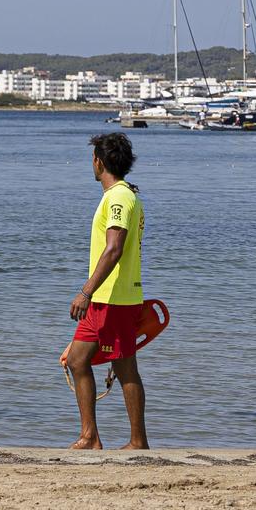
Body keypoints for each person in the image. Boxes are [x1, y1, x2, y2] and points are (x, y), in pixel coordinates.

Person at [62, 132, 147, 450]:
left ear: (99, 161)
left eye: (93, 159)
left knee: (124, 367)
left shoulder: (119, 197)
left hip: (113, 298)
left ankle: (135, 441)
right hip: (107, 298)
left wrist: (85, 291)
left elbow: (113, 249)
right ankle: (91, 436)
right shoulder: (124, 195)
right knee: (77, 359)